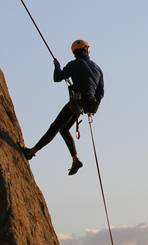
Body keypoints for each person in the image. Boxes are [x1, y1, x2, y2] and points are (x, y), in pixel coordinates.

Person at [22, 40, 104, 175]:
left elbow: (57, 77)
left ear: (75, 53)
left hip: (76, 102)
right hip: (86, 104)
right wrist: (93, 106)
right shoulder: (98, 69)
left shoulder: (74, 64)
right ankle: (75, 160)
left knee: (55, 127)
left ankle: (31, 152)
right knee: (64, 129)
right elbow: (100, 93)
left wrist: (57, 66)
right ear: (86, 51)